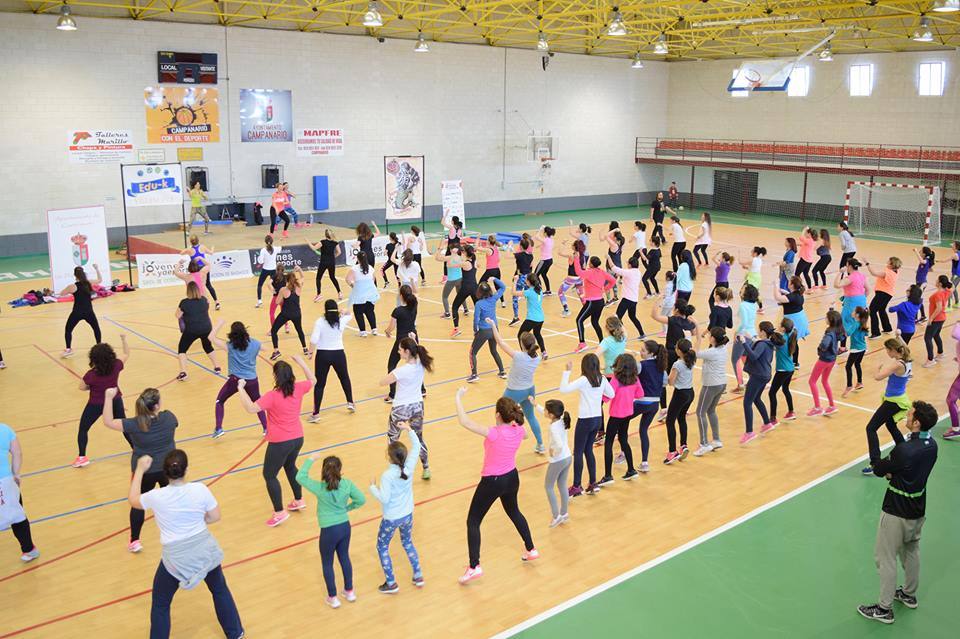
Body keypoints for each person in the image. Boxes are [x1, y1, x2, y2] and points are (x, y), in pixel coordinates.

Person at [129, 450, 243, 638]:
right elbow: (215, 516)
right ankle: (235, 633)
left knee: (161, 603)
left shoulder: (156, 496)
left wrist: (140, 470)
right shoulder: (200, 489)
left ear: (165, 472)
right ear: (186, 470)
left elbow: (133, 500)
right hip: (204, 549)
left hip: (176, 557)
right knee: (219, 589)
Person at [857, 401, 938, 625]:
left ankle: (884, 609)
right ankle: (909, 594)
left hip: (896, 512)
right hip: (917, 511)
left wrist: (883, 468)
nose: (906, 417)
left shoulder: (904, 452)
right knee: (911, 550)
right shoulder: (932, 445)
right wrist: (895, 472)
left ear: (917, 422)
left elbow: (880, 468)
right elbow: (905, 463)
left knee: (885, 559)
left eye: (909, 415)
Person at [455, 388, 538, 584]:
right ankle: (531, 548)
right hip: (511, 478)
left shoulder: (494, 433)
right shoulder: (520, 430)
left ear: (498, 415)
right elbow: (526, 434)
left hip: (492, 481)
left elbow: (465, 421)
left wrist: (458, 398)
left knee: (473, 521)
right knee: (514, 512)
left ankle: (474, 566)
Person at [238, 356, 315, 527]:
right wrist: (302, 363)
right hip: (298, 438)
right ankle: (298, 500)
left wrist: (240, 388)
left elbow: (251, 408)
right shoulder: (299, 388)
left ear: (276, 377)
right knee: (290, 466)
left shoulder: (272, 396)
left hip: (280, 442)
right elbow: (313, 380)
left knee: (269, 475)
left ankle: (279, 512)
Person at [103, 386, 177, 553]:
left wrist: (108, 397)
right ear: (156, 406)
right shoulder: (169, 417)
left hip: (144, 471)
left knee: (138, 504)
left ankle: (135, 540)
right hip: (168, 470)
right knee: (172, 500)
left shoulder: (134, 424)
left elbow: (108, 421)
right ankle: (175, 533)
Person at [297, 454, 365, 608]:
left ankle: (333, 597)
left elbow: (300, 477)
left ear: (324, 471)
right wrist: (347, 508)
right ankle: (349, 591)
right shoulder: (347, 484)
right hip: (344, 527)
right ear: (340, 470)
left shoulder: (319, 488)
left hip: (328, 531)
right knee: (344, 558)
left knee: (327, 563)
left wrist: (310, 460)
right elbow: (361, 500)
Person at [370, 423, 424, 594]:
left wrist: (373, 488)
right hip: (407, 514)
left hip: (391, 517)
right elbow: (417, 446)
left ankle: (391, 583)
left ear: (389, 457)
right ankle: (418, 575)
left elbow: (384, 498)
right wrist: (409, 429)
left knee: (382, 547)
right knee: (407, 542)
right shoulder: (409, 467)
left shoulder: (387, 476)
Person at [559, 355, 615, 497]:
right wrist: (598, 397)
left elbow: (563, 389)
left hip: (585, 420)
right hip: (597, 419)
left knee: (578, 452)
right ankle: (593, 483)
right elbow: (612, 393)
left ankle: (577, 486)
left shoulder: (584, 380)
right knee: (588, 450)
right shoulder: (601, 378)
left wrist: (567, 371)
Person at [380, 336, 433, 479]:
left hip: (400, 408)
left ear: (407, 351)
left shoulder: (402, 370)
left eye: (400, 349)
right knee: (418, 438)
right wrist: (414, 339)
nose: (398, 352)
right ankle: (426, 468)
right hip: (417, 406)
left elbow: (383, 382)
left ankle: (397, 469)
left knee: (393, 439)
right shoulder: (421, 363)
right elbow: (417, 348)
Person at [487, 320, 544, 453]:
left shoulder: (518, 356)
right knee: (531, 417)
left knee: (500, 413)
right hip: (530, 390)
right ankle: (541, 445)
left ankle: (500, 442)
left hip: (514, 391)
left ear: (521, 344)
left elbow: (500, 342)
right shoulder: (537, 358)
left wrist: (493, 325)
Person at [72, 337, 129, 468]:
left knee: (83, 428)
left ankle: (82, 457)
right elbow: (126, 354)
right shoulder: (116, 366)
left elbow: (81, 387)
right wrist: (124, 340)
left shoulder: (91, 374)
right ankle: (136, 448)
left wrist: (92, 387)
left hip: (96, 404)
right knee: (124, 425)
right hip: (115, 400)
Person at [862, 337, 912, 476]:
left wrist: (877, 369)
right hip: (898, 399)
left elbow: (878, 377)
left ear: (892, 350)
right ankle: (905, 452)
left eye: (887, 350)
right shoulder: (906, 356)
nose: (886, 353)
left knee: (871, 428)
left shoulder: (897, 364)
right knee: (890, 425)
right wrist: (898, 335)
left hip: (893, 402)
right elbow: (903, 345)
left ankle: (875, 464)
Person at [210, 321, 267, 438]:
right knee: (258, 403)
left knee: (219, 401)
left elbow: (211, 337)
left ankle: (219, 428)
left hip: (235, 380)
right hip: (252, 380)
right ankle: (266, 428)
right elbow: (266, 348)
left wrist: (220, 324)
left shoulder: (230, 346)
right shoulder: (255, 344)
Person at [597, 353, 643, 485]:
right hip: (628, 414)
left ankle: (608, 475)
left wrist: (599, 398)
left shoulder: (616, 380)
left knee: (609, 443)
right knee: (624, 440)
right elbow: (640, 394)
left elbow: (608, 396)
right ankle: (631, 469)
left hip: (616, 416)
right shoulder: (635, 379)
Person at [308, 301, 355, 421]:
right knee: (344, 378)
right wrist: (343, 311)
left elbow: (314, 339)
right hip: (338, 354)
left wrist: (310, 352)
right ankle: (350, 402)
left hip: (323, 355)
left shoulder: (319, 321)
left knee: (320, 384)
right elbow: (350, 314)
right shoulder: (341, 320)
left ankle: (316, 413)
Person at [738, 322, 782, 444]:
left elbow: (753, 356)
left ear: (762, 331)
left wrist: (743, 342)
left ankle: (749, 432)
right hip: (765, 375)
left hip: (758, 376)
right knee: (756, 399)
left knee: (747, 402)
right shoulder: (768, 343)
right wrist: (751, 338)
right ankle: (767, 423)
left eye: (759, 329)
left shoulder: (762, 344)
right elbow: (758, 344)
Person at [0, 422, 38, 562]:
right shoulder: (5, 429)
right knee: (17, 515)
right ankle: (29, 549)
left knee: (16, 515)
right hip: (7, 481)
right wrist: (16, 473)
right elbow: (17, 453)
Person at [633, 340, 668, 472]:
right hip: (655, 404)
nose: (640, 352)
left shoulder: (641, 365)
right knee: (643, 430)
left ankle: (623, 453)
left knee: (621, 421)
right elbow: (664, 384)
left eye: (643, 350)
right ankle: (644, 462)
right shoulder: (661, 368)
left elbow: (630, 374)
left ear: (651, 353)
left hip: (643, 402)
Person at [537, 400, 573, 527]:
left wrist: (553, 452)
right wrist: (536, 405)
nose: (544, 411)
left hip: (558, 460)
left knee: (548, 487)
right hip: (568, 457)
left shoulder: (553, 427)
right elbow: (545, 412)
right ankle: (564, 513)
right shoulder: (561, 418)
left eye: (546, 410)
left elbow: (559, 445)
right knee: (562, 484)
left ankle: (556, 516)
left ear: (551, 414)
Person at [175, 282, 221, 381]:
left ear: (188, 291)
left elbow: (177, 315)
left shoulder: (184, 302)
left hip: (192, 330)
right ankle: (217, 367)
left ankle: (183, 372)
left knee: (182, 349)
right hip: (206, 328)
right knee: (207, 346)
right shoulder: (204, 300)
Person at [694, 327, 728, 456]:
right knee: (711, 410)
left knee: (700, 412)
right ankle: (716, 439)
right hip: (722, 383)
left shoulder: (712, 352)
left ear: (713, 338)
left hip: (710, 385)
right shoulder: (723, 349)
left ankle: (704, 443)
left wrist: (698, 338)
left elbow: (695, 353)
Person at [573, 255, 617, 352]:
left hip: (591, 303)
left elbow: (578, 272)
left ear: (592, 264)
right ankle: (602, 342)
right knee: (595, 322)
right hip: (600, 302)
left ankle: (582, 343)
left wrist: (576, 259)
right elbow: (613, 281)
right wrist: (605, 289)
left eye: (589, 262)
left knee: (579, 320)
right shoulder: (602, 272)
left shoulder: (589, 273)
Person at [384, 285, 420, 401]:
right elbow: (416, 294)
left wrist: (387, 331)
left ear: (401, 296)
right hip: (413, 338)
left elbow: (391, 327)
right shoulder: (415, 306)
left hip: (402, 341)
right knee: (416, 364)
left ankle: (392, 394)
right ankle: (422, 389)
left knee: (391, 365)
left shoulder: (398, 311)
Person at [664, 338, 698, 463]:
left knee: (670, 421)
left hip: (680, 394)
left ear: (679, 350)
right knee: (681, 418)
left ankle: (672, 451)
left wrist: (664, 376)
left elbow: (671, 382)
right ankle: (683, 445)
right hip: (690, 392)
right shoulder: (691, 359)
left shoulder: (677, 364)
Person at [467, 279, 507, 383]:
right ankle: (502, 371)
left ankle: (474, 374)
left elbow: (476, 319)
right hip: (494, 329)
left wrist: (475, 331)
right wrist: (494, 279)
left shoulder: (479, 304)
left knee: (473, 352)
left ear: (479, 292)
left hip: (483, 331)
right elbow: (503, 287)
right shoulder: (493, 298)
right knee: (494, 351)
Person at [60, 264, 103, 358]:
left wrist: (68, 290)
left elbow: (61, 294)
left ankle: (68, 349)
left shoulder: (72, 286)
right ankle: (99, 346)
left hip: (77, 312)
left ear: (75, 275)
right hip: (89, 312)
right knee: (96, 328)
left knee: (68, 330)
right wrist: (97, 269)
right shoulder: (89, 283)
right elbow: (100, 280)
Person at [807, 310, 843, 417]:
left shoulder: (829, 332)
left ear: (830, 320)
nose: (825, 319)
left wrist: (820, 349)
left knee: (812, 381)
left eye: (826, 317)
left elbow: (824, 344)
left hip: (824, 359)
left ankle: (817, 407)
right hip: (832, 359)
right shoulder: (837, 330)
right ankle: (832, 405)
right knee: (824, 381)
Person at [269, 269, 309, 360]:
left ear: (286, 280)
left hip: (286, 314)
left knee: (274, 331)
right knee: (299, 330)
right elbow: (303, 277)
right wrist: (299, 270)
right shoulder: (299, 286)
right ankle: (305, 348)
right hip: (297, 314)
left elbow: (277, 301)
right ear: (295, 279)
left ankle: (276, 351)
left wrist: (283, 297)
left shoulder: (283, 290)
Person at [772, 276, 810, 367]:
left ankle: (793, 362)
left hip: (794, 320)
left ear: (792, 285)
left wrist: (775, 285)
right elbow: (790, 296)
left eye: (789, 282)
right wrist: (783, 291)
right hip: (799, 319)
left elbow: (778, 298)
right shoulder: (798, 294)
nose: (788, 282)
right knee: (793, 340)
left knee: (792, 341)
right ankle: (794, 361)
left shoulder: (792, 296)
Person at [768, 318, 798, 426]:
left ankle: (773, 418)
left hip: (782, 370)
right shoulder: (790, 336)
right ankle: (791, 411)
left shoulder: (781, 340)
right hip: (790, 369)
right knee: (785, 389)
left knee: (772, 392)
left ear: (783, 328)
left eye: (780, 324)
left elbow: (773, 343)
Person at [731, 284, 760, 393]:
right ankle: (753, 379)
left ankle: (740, 385)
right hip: (752, 334)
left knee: (735, 359)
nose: (741, 289)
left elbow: (744, 323)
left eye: (743, 289)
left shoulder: (743, 305)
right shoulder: (754, 304)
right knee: (745, 357)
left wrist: (737, 333)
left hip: (743, 334)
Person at [178, 236, 219, 309]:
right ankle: (216, 302)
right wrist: (212, 248)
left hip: (195, 269)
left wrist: (187, 249)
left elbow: (181, 253)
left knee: (196, 286)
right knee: (208, 285)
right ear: (198, 240)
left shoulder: (189, 250)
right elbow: (211, 253)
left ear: (191, 242)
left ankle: (198, 302)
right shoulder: (202, 247)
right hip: (203, 268)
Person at [609, 253, 644, 338]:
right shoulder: (638, 272)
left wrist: (608, 257)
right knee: (632, 317)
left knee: (617, 317)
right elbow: (625, 273)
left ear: (630, 265)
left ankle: (622, 334)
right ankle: (642, 334)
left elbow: (613, 268)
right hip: (634, 300)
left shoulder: (628, 272)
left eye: (628, 263)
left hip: (626, 299)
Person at [867, 257, 902, 338]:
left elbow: (874, 273)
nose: (887, 262)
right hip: (888, 294)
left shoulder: (887, 273)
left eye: (888, 262)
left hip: (882, 293)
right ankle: (887, 328)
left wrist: (867, 264)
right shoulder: (895, 271)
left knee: (872, 310)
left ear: (891, 264)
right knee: (881, 309)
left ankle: (876, 333)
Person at [347, 251, 380, 336]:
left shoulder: (354, 268)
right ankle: (374, 329)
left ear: (357, 259)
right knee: (370, 311)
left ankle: (363, 331)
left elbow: (348, 279)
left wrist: (353, 285)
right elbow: (373, 280)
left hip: (359, 293)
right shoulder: (370, 268)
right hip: (370, 292)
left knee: (358, 312)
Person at [922, 275, 951, 367]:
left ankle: (930, 360)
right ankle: (940, 353)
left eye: (937, 280)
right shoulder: (947, 291)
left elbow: (938, 308)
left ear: (940, 283)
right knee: (936, 335)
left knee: (927, 338)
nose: (935, 281)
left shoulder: (938, 294)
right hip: (942, 318)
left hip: (936, 319)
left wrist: (931, 319)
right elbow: (952, 287)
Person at [450, 245, 478, 336]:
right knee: (478, 308)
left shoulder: (465, 263)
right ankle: (479, 328)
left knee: (454, 307)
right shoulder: (474, 260)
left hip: (466, 288)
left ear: (465, 253)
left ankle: (456, 329)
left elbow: (452, 264)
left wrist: (453, 254)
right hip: (475, 287)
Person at [308, 229, 342, 302]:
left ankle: (319, 295)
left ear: (325, 235)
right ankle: (339, 293)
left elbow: (313, 248)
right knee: (332, 277)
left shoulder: (322, 242)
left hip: (323, 262)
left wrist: (307, 241)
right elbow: (339, 252)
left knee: (318, 278)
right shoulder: (335, 243)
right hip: (331, 262)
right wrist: (333, 257)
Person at [843, 306, 870, 397]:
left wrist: (842, 329)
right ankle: (859, 382)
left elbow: (848, 334)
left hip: (856, 349)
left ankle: (849, 386)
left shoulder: (856, 324)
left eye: (854, 311)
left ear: (857, 314)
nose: (852, 311)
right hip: (863, 348)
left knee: (848, 366)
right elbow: (866, 334)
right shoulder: (862, 323)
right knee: (857, 364)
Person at [436, 240, 466, 320]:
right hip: (460, 278)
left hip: (451, 280)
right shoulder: (460, 257)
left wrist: (440, 249)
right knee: (461, 294)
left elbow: (437, 258)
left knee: (444, 297)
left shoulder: (449, 258)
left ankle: (447, 313)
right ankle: (466, 309)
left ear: (450, 250)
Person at [557, 239, 587, 317]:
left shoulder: (572, 256)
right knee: (581, 294)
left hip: (571, 278)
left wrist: (562, 244)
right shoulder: (583, 256)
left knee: (560, 292)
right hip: (580, 278)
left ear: (574, 247)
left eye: (572, 244)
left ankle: (566, 310)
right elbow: (584, 267)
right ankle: (587, 309)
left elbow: (559, 253)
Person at [509, 239, 536, 323]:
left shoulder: (519, 255)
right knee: (530, 296)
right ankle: (533, 315)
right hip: (528, 277)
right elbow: (531, 266)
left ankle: (516, 317)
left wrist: (509, 246)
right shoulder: (531, 256)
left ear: (520, 246)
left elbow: (507, 256)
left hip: (521, 278)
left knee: (515, 297)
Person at [600, 224, 625, 304]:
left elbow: (606, 236)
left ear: (616, 239)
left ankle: (608, 300)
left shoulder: (614, 245)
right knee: (613, 282)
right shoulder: (621, 245)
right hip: (618, 267)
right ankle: (615, 297)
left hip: (611, 267)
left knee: (606, 284)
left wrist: (614, 230)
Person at [739, 246, 767, 314]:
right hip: (757, 278)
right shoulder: (759, 260)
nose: (751, 251)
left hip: (752, 278)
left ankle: (745, 308)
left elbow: (741, 262)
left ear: (755, 253)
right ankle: (761, 308)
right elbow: (754, 268)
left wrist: (739, 254)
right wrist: (747, 268)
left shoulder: (753, 260)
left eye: (752, 251)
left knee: (741, 292)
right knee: (755, 293)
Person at [912, 245, 935, 322]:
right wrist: (921, 271)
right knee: (917, 299)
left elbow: (922, 261)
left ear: (924, 254)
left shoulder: (925, 260)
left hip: (922, 283)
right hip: (919, 282)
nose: (919, 252)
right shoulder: (925, 261)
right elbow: (931, 270)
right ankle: (923, 316)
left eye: (921, 251)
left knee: (915, 299)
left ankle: (915, 318)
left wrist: (915, 251)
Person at [255, 235, 278, 308]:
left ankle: (259, 301)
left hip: (265, 270)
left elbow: (260, 261)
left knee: (259, 285)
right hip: (273, 270)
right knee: (275, 285)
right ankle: (277, 299)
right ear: (272, 241)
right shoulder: (276, 248)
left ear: (265, 242)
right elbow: (281, 248)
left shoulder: (263, 250)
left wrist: (260, 259)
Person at [532, 225, 556, 294]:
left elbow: (536, 237)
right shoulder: (551, 239)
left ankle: (539, 291)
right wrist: (540, 245)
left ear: (545, 233)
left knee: (535, 275)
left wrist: (540, 229)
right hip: (550, 260)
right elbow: (546, 243)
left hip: (544, 261)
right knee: (543, 274)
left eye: (543, 232)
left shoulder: (545, 240)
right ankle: (548, 290)